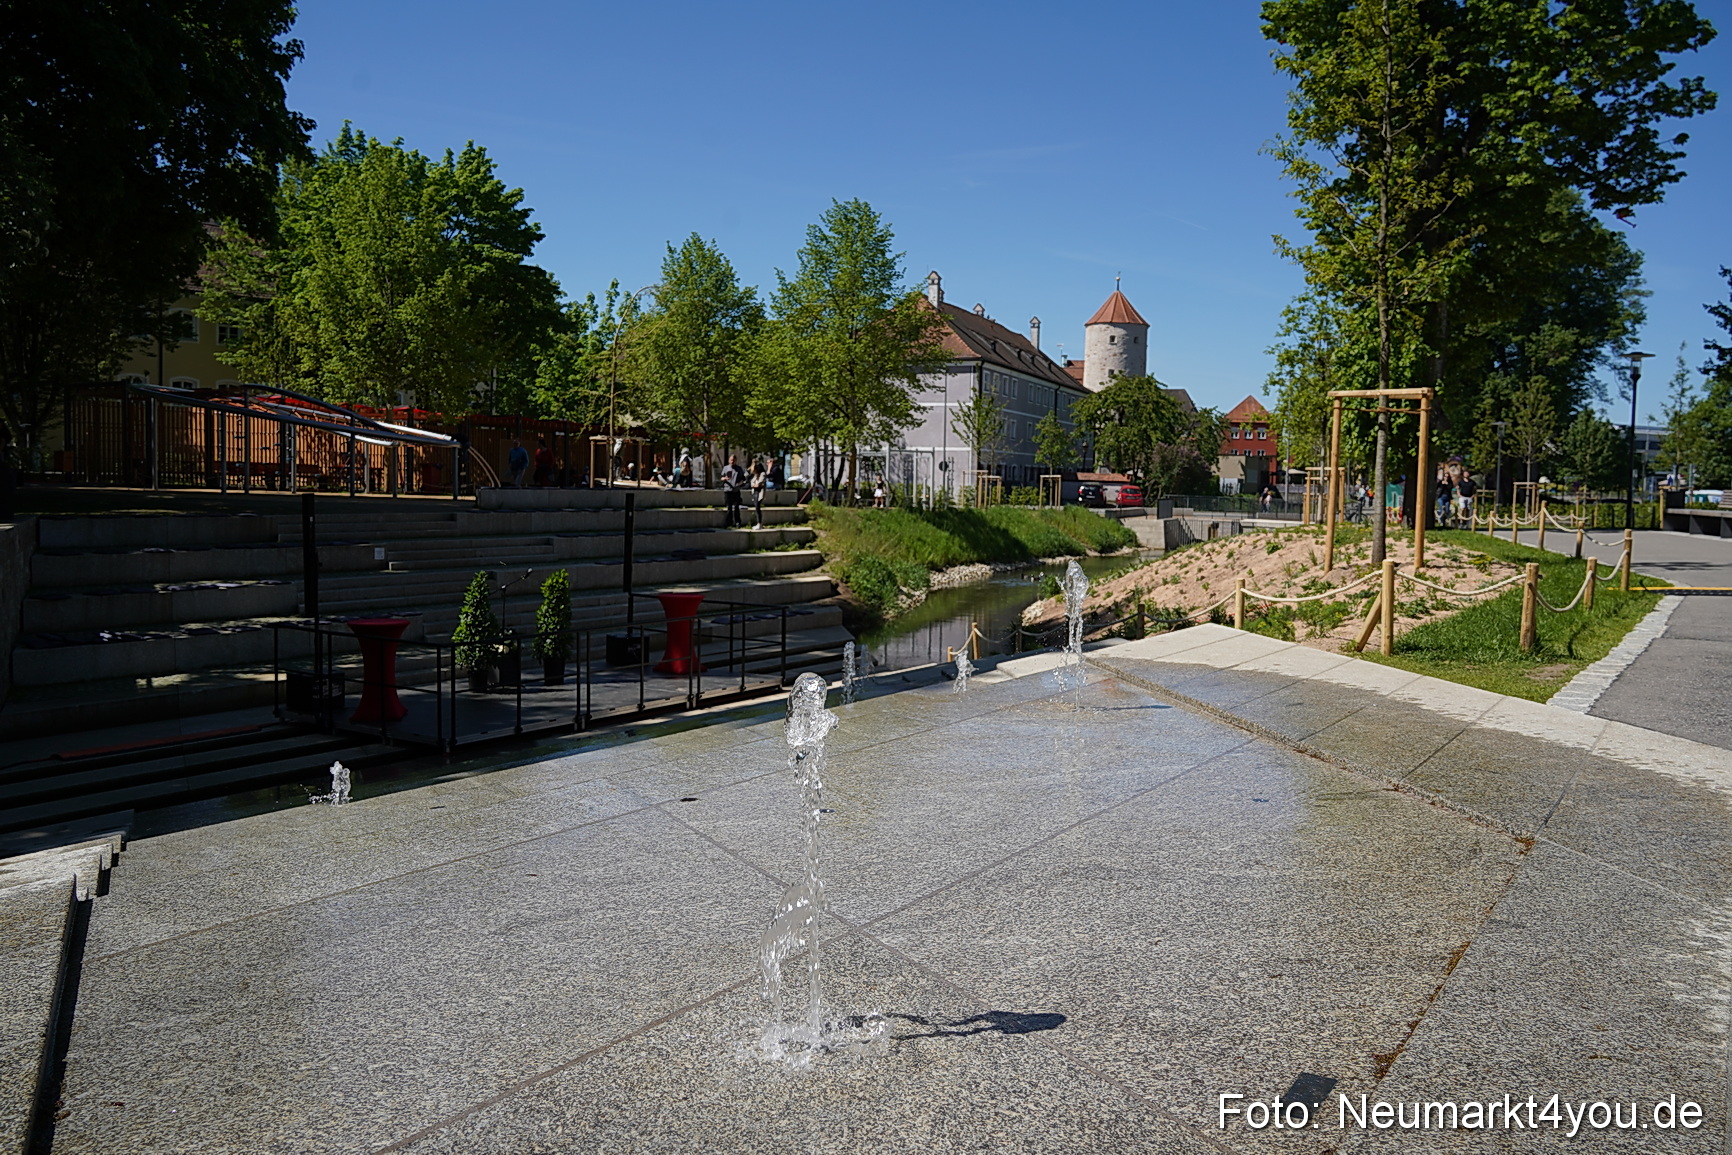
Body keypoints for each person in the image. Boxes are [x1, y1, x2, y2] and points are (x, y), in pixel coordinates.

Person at [721, 454, 744, 527]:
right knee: (729, 507)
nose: (732, 462)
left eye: (733, 460)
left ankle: (738, 522)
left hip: (736, 490)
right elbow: (721, 477)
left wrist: (740, 483)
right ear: (729, 460)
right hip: (728, 489)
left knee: (736, 507)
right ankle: (728, 522)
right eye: (731, 460)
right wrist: (724, 479)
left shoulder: (739, 469)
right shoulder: (725, 468)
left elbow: (743, 479)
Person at [1434, 465, 1454, 529]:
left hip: (1447, 497)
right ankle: (1441, 520)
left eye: (1447, 477)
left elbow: (1449, 488)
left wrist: (1446, 484)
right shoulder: (1440, 482)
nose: (1446, 478)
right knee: (1441, 509)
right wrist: (1442, 483)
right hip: (1441, 497)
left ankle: (1446, 520)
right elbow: (1438, 488)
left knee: (1447, 509)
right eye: (1445, 476)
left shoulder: (1450, 483)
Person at [750, 458, 768, 528]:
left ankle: (759, 523)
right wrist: (754, 485)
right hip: (755, 492)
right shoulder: (755, 475)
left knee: (758, 507)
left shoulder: (762, 474)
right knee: (756, 507)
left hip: (759, 492)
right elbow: (752, 483)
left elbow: (759, 483)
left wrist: (755, 485)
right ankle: (758, 523)